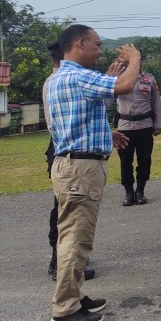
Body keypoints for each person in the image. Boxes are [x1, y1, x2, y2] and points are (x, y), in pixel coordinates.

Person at [46, 24, 137, 321]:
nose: (100, 50)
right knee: (76, 239)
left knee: (73, 236)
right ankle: (65, 310)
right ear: (80, 43)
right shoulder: (77, 76)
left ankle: (73, 295)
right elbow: (124, 86)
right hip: (80, 170)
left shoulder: (61, 77)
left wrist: (106, 135)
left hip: (72, 164)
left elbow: (76, 121)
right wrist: (134, 58)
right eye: (97, 45)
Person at [43, 41, 95, 282]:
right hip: (64, 147)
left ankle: (71, 259)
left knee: (70, 208)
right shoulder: (60, 81)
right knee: (65, 208)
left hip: (63, 146)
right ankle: (58, 262)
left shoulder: (59, 79)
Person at [114, 53, 161, 206]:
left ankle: (140, 191)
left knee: (145, 160)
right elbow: (106, 100)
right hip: (125, 126)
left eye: (138, 59)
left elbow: (156, 102)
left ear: (141, 61)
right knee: (125, 161)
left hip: (145, 125)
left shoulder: (149, 79)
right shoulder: (118, 78)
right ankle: (128, 192)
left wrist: (158, 124)